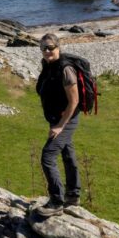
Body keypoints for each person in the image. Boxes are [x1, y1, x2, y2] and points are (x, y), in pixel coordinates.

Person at [34, 33, 81, 217]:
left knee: (47, 156)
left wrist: (60, 126)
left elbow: (74, 101)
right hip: (56, 118)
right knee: (68, 153)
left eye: (50, 48)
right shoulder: (48, 65)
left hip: (67, 119)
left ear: (58, 47)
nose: (47, 51)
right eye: (43, 48)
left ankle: (56, 202)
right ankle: (73, 195)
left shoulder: (65, 69)